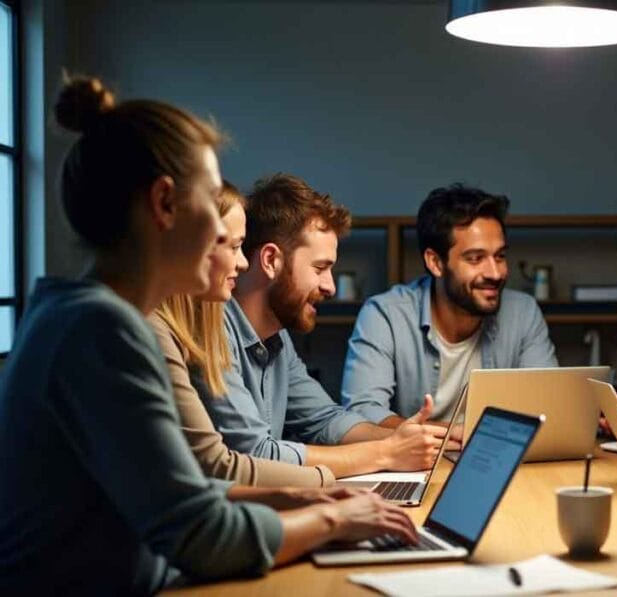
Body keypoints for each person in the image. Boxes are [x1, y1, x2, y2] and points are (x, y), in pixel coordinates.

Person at [0, 77, 414, 594]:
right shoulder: (102, 330)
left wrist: (300, 499)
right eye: (211, 205)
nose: (228, 243)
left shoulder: (78, 315)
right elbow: (200, 534)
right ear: (166, 204)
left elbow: (179, 493)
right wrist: (338, 521)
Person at [201, 174, 443, 476]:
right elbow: (255, 454)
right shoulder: (212, 329)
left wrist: (410, 438)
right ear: (270, 260)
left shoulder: (277, 338)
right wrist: (386, 454)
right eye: (320, 268)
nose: (330, 286)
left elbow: (325, 420)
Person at [150, 181, 339, 487]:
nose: (241, 261)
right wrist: (324, 485)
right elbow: (220, 464)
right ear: (192, 243)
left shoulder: (197, 322)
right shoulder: (156, 331)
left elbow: (209, 481)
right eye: (234, 246)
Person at [341, 184, 557, 425]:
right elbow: (362, 412)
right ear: (435, 262)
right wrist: (446, 437)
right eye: (475, 259)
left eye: (500, 256)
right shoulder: (385, 315)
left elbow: (547, 404)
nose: (495, 273)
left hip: (497, 459)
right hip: (414, 461)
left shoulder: (523, 313)